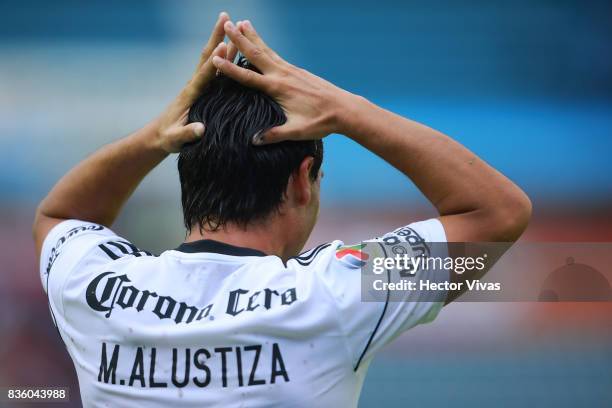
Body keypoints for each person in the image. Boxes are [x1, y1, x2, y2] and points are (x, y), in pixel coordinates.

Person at [33, 12, 531, 408]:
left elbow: (59, 217)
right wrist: (346, 109)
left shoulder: (97, 291)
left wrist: (152, 138)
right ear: (301, 181)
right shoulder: (335, 293)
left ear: (187, 170)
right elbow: (497, 211)